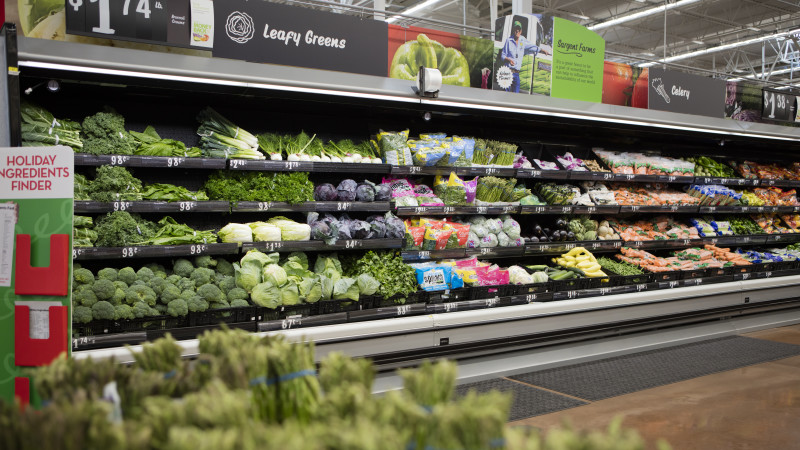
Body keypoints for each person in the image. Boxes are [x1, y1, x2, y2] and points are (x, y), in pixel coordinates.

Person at [501, 21, 549, 93]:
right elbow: (503, 56)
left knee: (516, 96)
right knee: (505, 95)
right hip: (507, 72)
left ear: (521, 31)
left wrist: (542, 50)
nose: (517, 31)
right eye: (516, 29)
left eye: (518, 29)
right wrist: (508, 60)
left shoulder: (523, 40)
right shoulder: (508, 40)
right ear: (513, 30)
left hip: (516, 73)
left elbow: (532, 46)